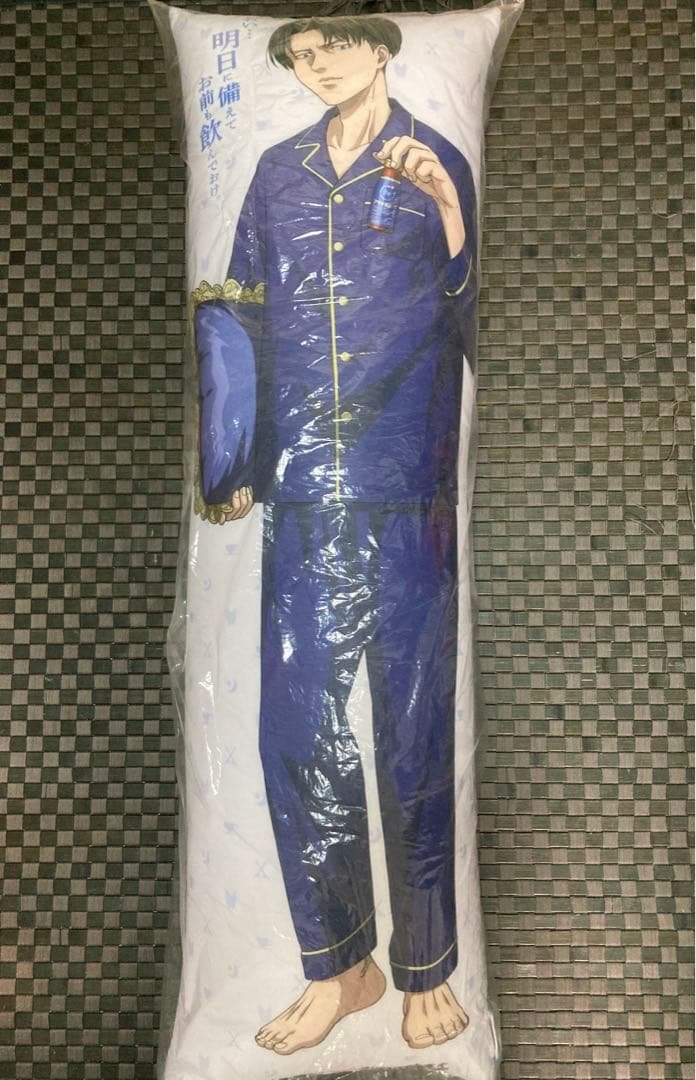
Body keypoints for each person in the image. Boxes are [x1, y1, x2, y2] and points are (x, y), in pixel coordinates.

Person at [192, 15, 478, 1057]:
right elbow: (237, 318)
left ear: (380, 48)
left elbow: (476, 324)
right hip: (306, 497)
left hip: (410, 490)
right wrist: (230, 466)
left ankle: (426, 969)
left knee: (413, 727)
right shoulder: (277, 171)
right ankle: (341, 966)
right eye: (302, 53)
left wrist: (450, 218)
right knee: (298, 731)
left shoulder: (436, 161)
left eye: (336, 45)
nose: (318, 65)